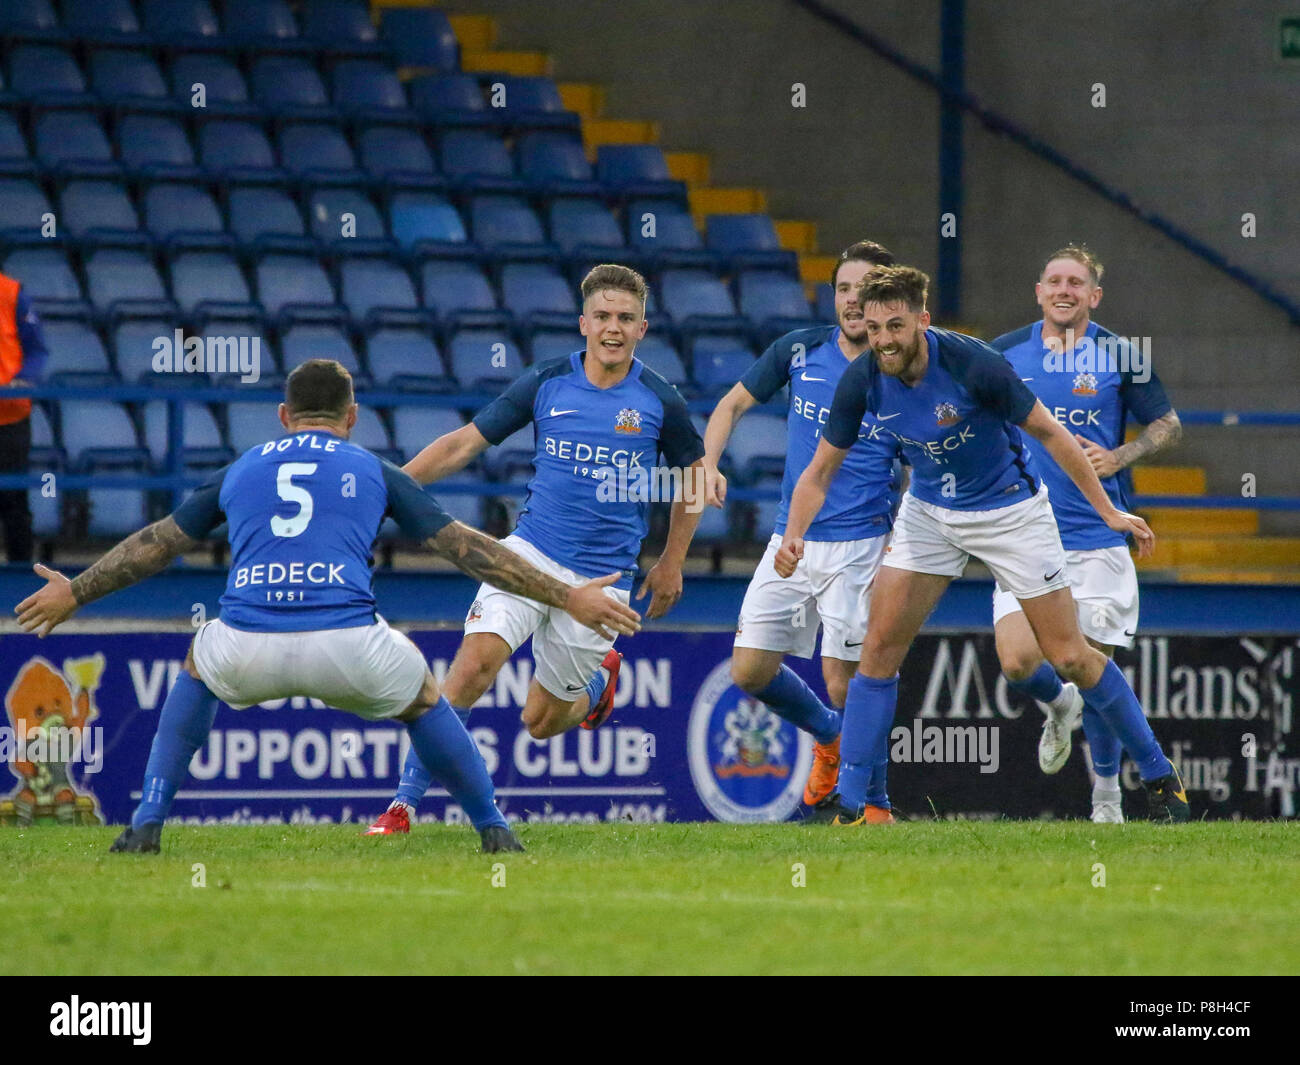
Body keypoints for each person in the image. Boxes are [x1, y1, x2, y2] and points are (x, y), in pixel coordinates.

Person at [14, 359, 642, 854]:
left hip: (246, 645)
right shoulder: (372, 468)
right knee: (427, 696)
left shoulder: (240, 469)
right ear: (351, 418)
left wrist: (75, 589)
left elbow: (156, 546)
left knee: (198, 666)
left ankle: (147, 822)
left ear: (285, 415)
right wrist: (566, 595)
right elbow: (468, 550)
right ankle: (493, 828)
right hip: (348, 648)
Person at [778, 265, 1189, 824]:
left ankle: (1162, 776)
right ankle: (855, 805)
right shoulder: (863, 378)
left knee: (1069, 655)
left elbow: (1051, 434)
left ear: (922, 320)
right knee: (877, 649)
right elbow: (819, 471)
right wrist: (795, 534)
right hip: (928, 513)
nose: (882, 340)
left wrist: (1108, 510)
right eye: (872, 329)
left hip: (1009, 514)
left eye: (895, 326)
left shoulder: (976, 364)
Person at [366, 264, 705, 835]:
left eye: (625, 318)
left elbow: (694, 479)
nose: (613, 328)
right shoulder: (547, 380)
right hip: (528, 555)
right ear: (583, 323)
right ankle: (402, 807)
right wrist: (386, 492)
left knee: (541, 722)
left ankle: (596, 688)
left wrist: (671, 562)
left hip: (603, 581)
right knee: (472, 668)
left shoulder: (657, 399)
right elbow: (461, 445)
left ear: (642, 328)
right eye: (603, 316)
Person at [703, 240, 902, 814]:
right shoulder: (799, 351)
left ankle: (874, 805)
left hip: (860, 543)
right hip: (790, 538)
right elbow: (731, 406)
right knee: (750, 669)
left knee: (848, 681)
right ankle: (828, 734)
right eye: (843, 289)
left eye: (864, 291)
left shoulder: (899, 370)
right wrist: (710, 464)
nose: (852, 301)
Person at [991, 245, 1182, 822]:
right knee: (1019, 664)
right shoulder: (1003, 354)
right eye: (1055, 281)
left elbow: (1168, 423)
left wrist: (1122, 455)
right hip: (1024, 535)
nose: (1065, 290)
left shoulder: (1121, 354)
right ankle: (1058, 706)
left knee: (1088, 659)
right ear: (1039, 291)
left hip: (1097, 538)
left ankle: (1106, 798)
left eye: (1077, 283)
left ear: (1093, 296)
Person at [0, 269, 52, 562]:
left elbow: (36, 351)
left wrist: (23, 379)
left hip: (10, 418)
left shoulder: (11, 293)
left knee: (14, 499)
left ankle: (20, 578)